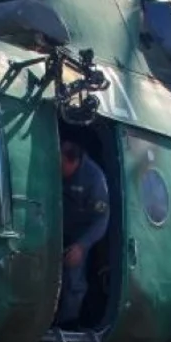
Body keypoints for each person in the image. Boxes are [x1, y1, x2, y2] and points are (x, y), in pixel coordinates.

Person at [56, 140, 109, 328]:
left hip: (79, 235)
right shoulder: (54, 169)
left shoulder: (94, 179)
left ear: (73, 162)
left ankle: (67, 323)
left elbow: (101, 220)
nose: (58, 168)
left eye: (61, 163)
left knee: (73, 278)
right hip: (54, 229)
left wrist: (82, 246)